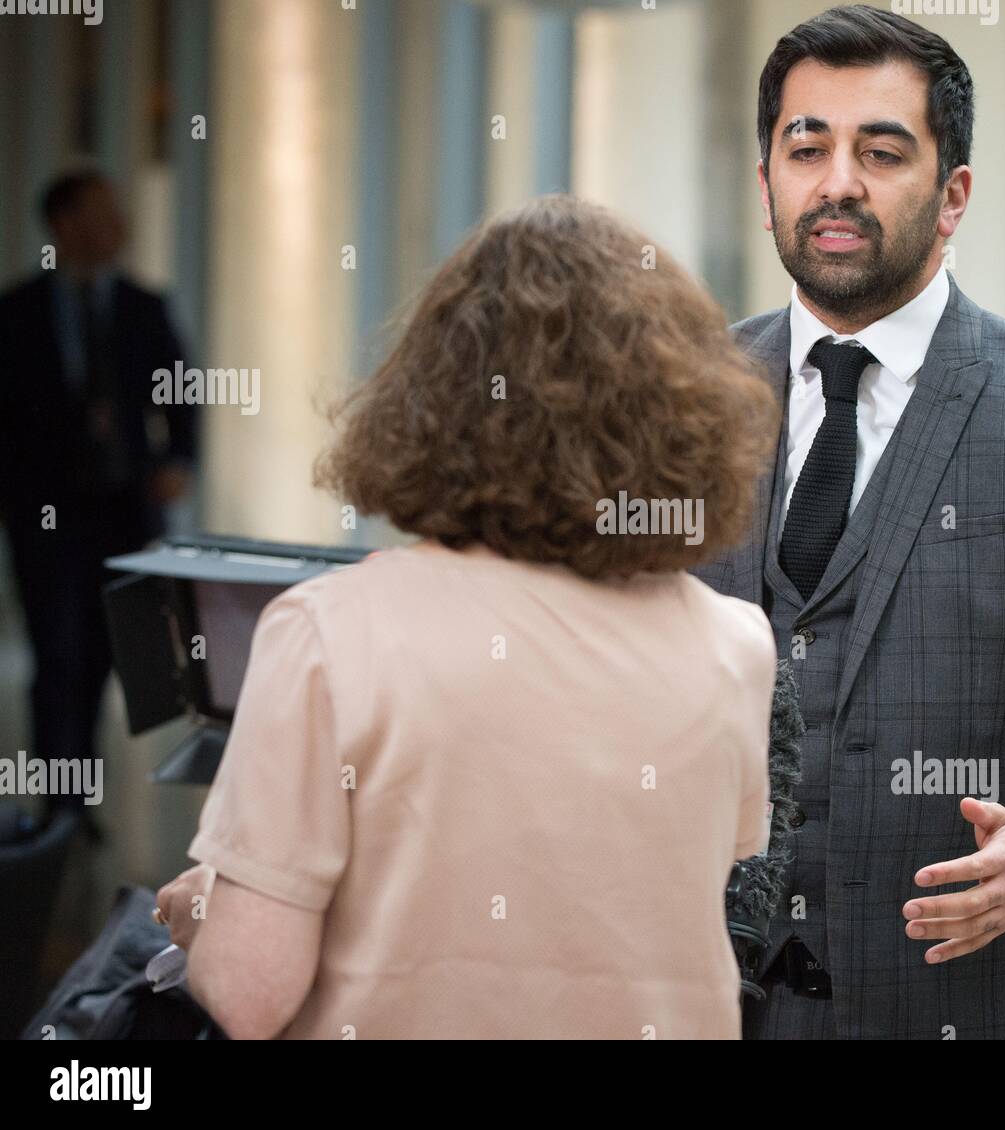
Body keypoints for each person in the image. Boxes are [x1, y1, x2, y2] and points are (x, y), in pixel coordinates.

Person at [155, 194, 782, 1039]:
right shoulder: (735, 647)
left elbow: (249, 990)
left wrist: (208, 909)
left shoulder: (329, 633)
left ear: (431, 401)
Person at [689, 4, 1005, 1038]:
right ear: (765, 178)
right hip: (702, 1002)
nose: (837, 183)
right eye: (805, 146)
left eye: (881, 150)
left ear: (952, 193)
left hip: (951, 1002)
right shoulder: (685, 399)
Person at [0, 170, 198, 832]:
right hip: (47, 513)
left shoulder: (143, 306)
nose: (118, 227)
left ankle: (80, 789)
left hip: (124, 509)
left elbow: (181, 389)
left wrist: (177, 459)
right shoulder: (19, 312)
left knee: (108, 651)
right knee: (55, 650)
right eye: (99, 214)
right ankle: (62, 802)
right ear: (62, 226)